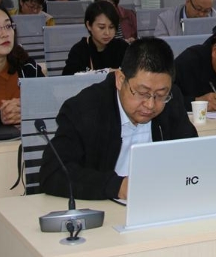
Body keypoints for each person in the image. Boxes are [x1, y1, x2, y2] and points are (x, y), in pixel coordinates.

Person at [39, 38, 197, 200]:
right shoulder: (85, 108)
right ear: (120, 80)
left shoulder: (171, 101)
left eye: (160, 95)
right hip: (103, 207)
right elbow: (53, 173)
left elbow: (193, 155)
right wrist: (118, 186)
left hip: (159, 202)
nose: (150, 104)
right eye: (142, 93)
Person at [62, 1, 130, 75]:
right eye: (101, 27)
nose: (107, 33)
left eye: (111, 27)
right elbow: (68, 78)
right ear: (89, 25)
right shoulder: (79, 51)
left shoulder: (122, 47)